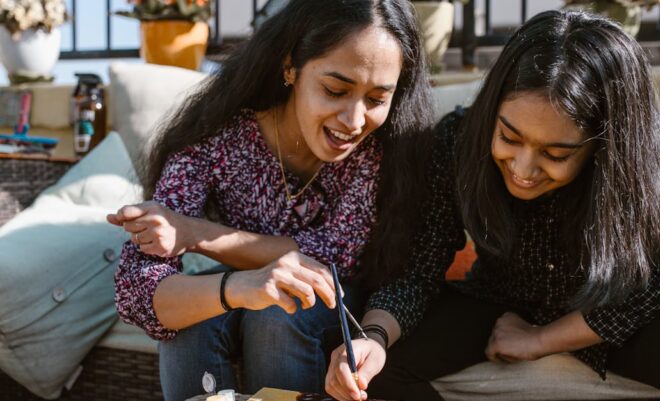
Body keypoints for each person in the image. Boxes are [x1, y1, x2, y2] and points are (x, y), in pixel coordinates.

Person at [325, 10, 660, 401]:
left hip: (612, 311)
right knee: (364, 368)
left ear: (602, 147)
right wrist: (375, 338)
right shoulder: (456, 141)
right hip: (497, 302)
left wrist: (541, 339)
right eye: (509, 138)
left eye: (555, 154)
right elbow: (418, 268)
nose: (524, 169)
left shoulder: (641, 151)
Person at [107, 1, 432, 400]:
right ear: (290, 67)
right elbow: (137, 291)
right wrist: (242, 287)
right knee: (194, 318)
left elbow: (333, 258)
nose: (354, 120)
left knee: (280, 310)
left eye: (377, 99)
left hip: (335, 312)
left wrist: (195, 233)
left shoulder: (381, 151)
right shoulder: (216, 137)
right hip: (245, 292)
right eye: (335, 90)